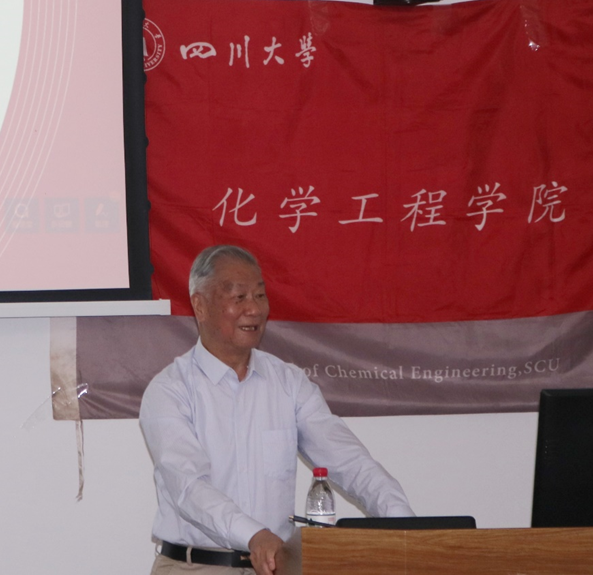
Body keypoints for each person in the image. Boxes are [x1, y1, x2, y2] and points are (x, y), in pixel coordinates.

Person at [140, 245, 415, 575]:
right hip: (196, 566)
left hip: (277, 567)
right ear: (200, 305)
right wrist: (253, 536)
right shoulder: (170, 390)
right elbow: (188, 487)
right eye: (239, 297)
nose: (254, 309)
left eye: (260, 295)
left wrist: (406, 527)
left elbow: (350, 461)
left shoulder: (289, 383)